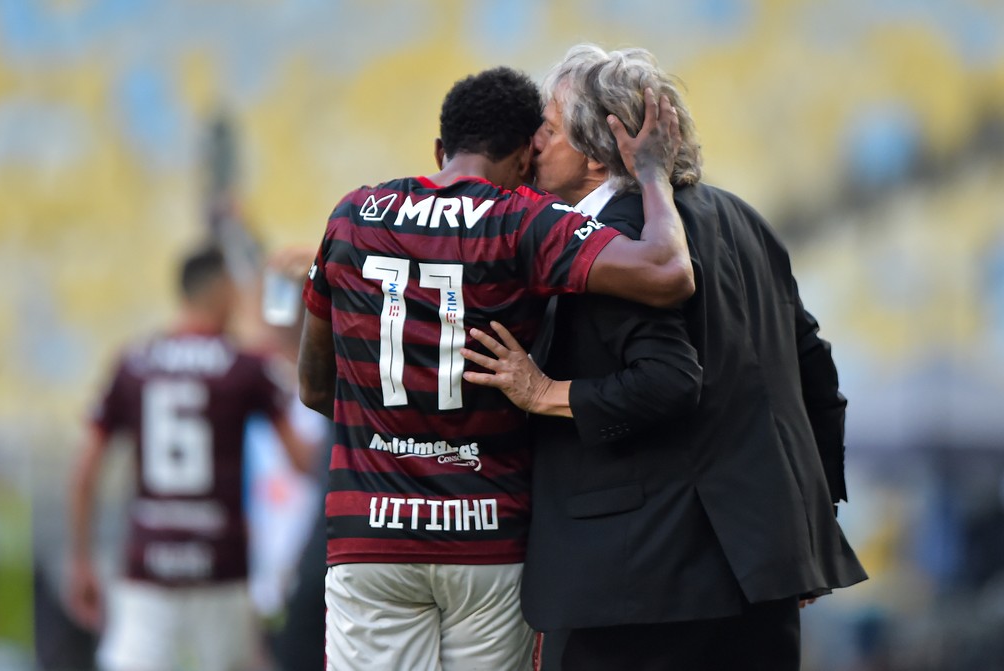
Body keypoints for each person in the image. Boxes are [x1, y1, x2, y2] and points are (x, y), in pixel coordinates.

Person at [462, 45, 868, 670]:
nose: (532, 143)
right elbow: (816, 374)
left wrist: (543, 392)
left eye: (548, 128)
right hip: (761, 572)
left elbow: (667, 381)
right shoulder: (742, 218)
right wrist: (809, 523)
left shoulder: (610, 245)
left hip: (639, 586)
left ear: (597, 152)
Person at [298, 66, 693, 671]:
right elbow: (668, 272)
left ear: (441, 149)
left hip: (371, 535)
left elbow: (313, 386)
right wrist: (652, 173)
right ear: (524, 155)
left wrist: (396, 433)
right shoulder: (523, 219)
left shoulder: (352, 216)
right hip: (488, 535)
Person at [67, 246, 314, 671]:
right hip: (220, 565)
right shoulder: (244, 368)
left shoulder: (133, 363)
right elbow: (303, 461)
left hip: (149, 562)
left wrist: (81, 560)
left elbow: (85, 471)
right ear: (220, 291)